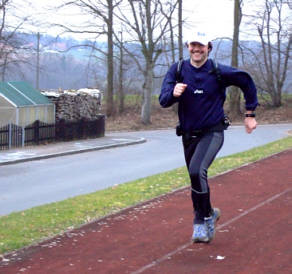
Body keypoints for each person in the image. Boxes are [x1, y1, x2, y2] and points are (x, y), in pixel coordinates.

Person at [159, 31, 258, 243]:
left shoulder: (217, 71)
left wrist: (250, 114)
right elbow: (163, 100)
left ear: (209, 48)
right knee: (195, 177)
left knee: (197, 170)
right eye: (193, 45)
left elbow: (246, 81)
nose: (196, 49)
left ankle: (201, 220)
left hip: (213, 132)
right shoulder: (177, 70)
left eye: (201, 46)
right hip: (188, 135)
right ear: (188, 46)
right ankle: (207, 213)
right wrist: (173, 93)